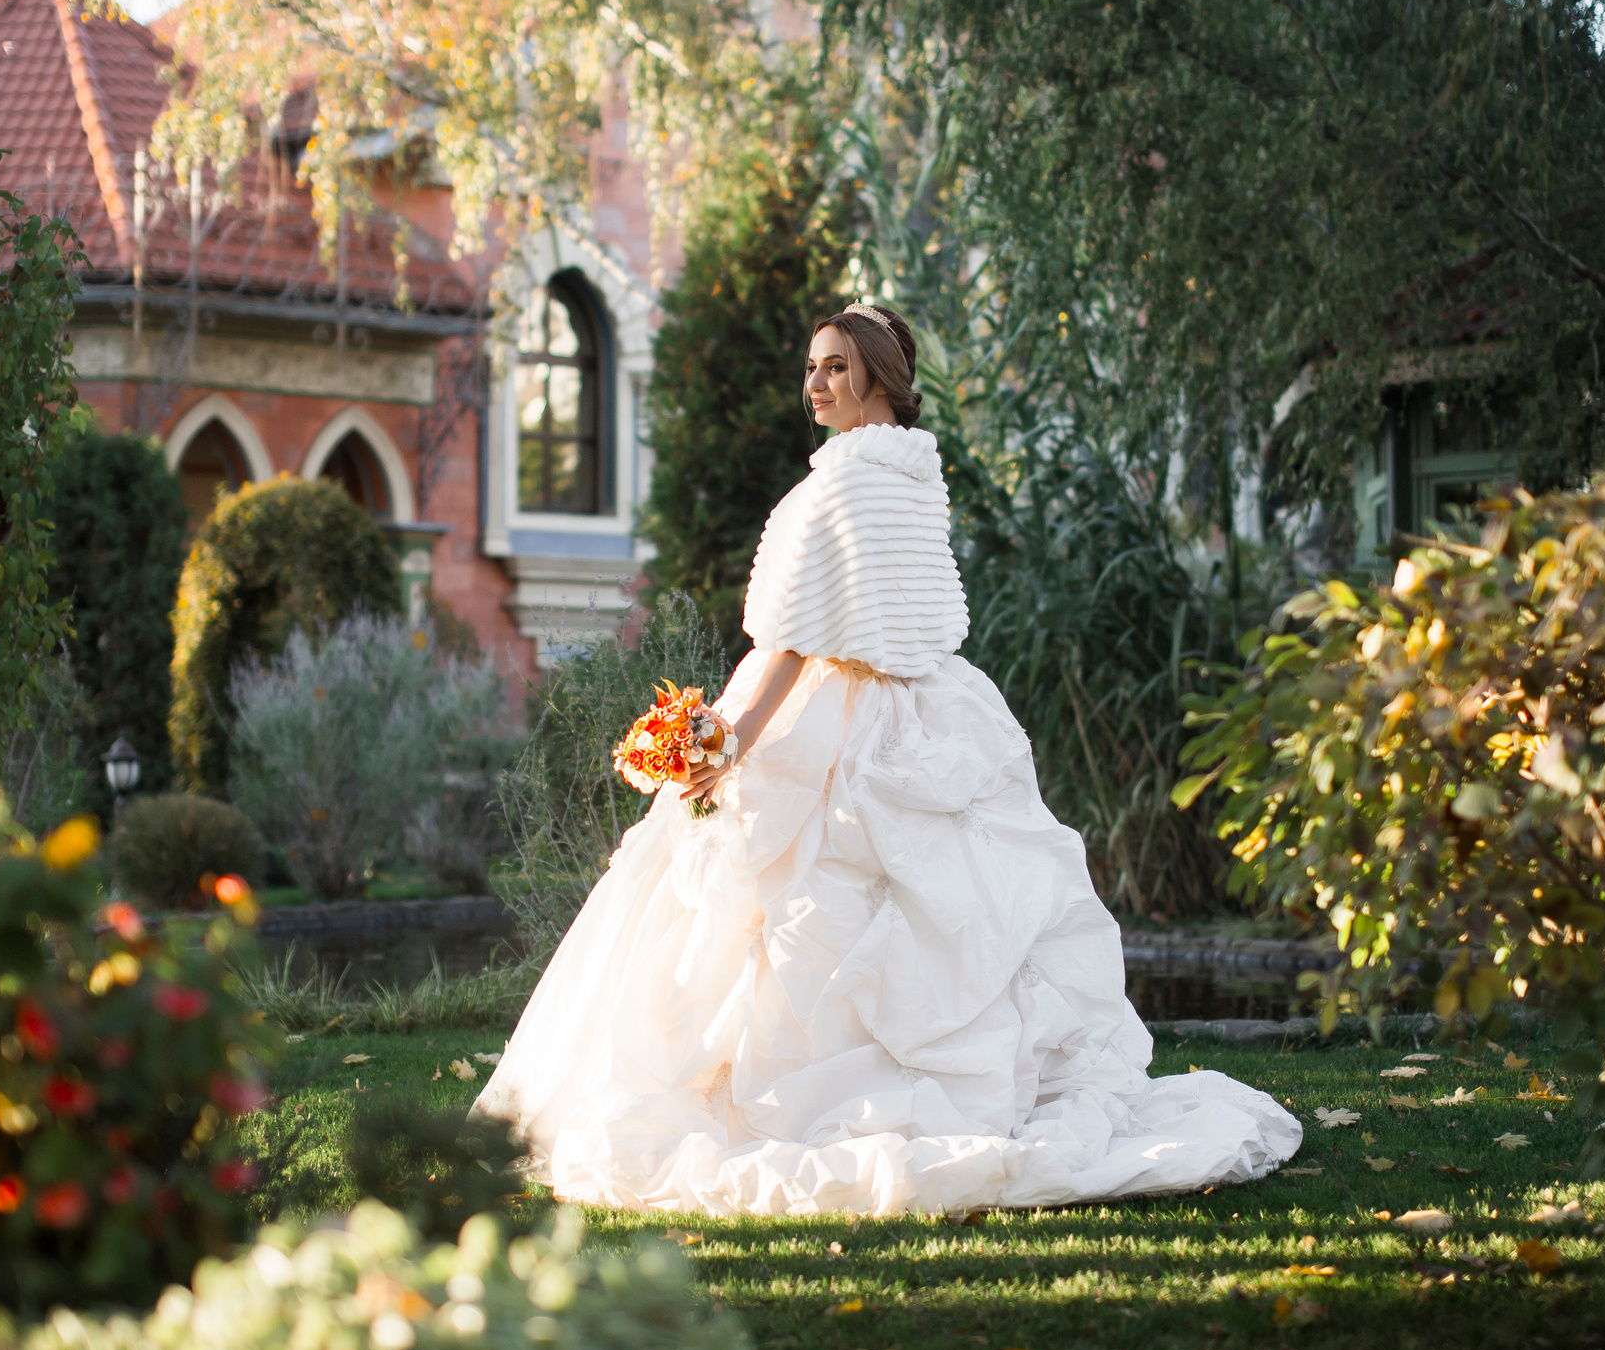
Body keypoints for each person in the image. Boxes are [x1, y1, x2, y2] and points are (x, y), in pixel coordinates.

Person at [474, 304, 1301, 1214]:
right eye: (812, 367)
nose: (815, 384)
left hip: (843, 712)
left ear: (876, 376)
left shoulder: (845, 484)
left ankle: (778, 1100)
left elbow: (794, 638)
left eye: (834, 366)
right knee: (934, 906)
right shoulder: (914, 474)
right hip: (928, 702)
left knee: (792, 909)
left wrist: (731, 742)